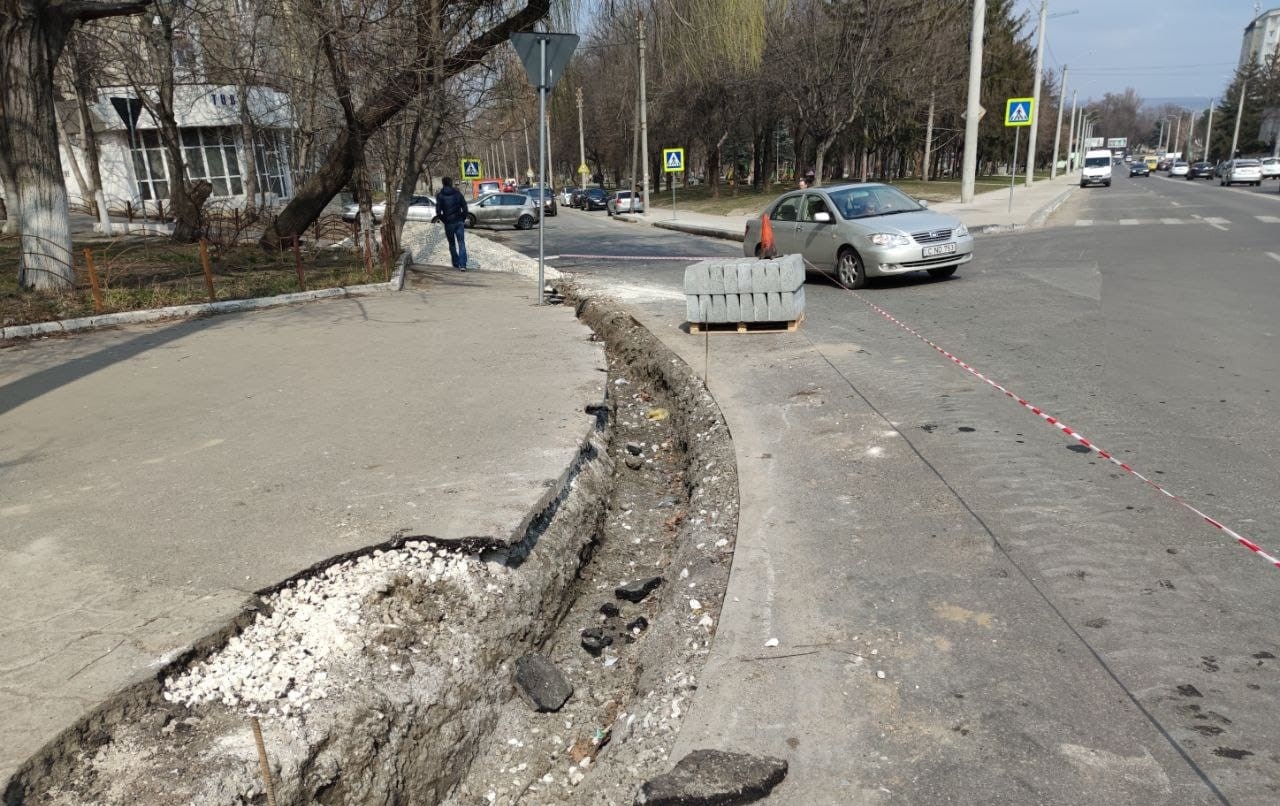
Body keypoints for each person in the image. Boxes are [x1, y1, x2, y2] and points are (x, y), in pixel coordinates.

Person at [435, 177, 469, 271]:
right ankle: (463, 265)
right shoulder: (457, 193)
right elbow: (465, 207)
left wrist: (444, 220)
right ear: (451, 183)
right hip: (459, 221)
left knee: (452, 244)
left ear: (443, 183)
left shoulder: (440, 196)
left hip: (449, 223)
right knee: (461, 243)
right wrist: (463, 218)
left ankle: (456, 263)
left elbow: (438, 212)